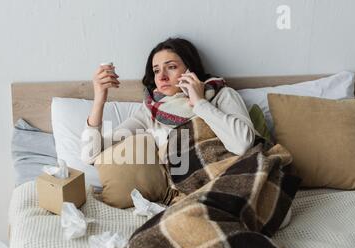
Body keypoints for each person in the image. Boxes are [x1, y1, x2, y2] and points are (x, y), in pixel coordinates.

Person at [81, 37, 256, 165]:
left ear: (190, 69)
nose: (162, 77)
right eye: (156, 71)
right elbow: (90, 155)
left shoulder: (222, 95)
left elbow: (242, 145)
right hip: (192, 189)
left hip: (234, 176)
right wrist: (99, 100)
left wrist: (200, 103)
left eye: (171, 67)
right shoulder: (151, 112)